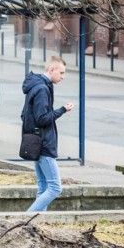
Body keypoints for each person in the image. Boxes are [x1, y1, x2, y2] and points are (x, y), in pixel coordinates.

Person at [21, 56, 74, 212]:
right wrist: (63, 109)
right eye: (61, 73)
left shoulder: (36, 86)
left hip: (36, 142)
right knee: (55, 188)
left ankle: (36, 223)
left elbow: (25, 115)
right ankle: (25, 220)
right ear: (52, 69)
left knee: (43, 186)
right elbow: (42, 118)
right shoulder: (42, 89)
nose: (62, 77)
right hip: (43, 144)